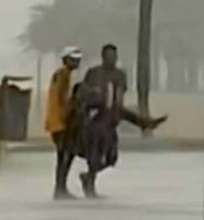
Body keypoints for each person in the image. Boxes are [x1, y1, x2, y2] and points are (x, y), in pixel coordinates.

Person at [69, 44, 167, 197]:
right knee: (94, 155)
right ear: (103, 57)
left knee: (111, 157)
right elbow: (83, 94)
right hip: (95, 122)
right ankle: (90, 186)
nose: (112, 60)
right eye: (109, 57)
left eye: (114, 57)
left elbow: (120, 98)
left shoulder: (120, 75)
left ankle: (88, 177)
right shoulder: (93, 73)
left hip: (111, 120)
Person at [44, 46, 83, 199]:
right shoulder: (62, 75)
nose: (77, 62)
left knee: (65, 155)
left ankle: (61, 187)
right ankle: (60, 189)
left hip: (57, 121)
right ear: (66, 60)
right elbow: (60, 100)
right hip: (59, 122)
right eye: (74, 59)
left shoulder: (63, 74)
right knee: (65, 155)